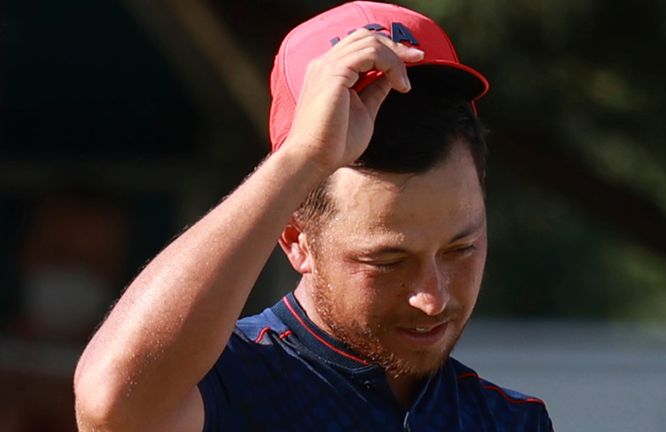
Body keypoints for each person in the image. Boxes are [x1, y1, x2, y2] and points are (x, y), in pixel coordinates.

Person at [74, 2, 554, 431]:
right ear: (295, 239)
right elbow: (111, 407)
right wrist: (302, 157)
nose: (432, 297)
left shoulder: (510, 420)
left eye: (460, 249)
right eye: (387, 260)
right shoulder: (227, 382)